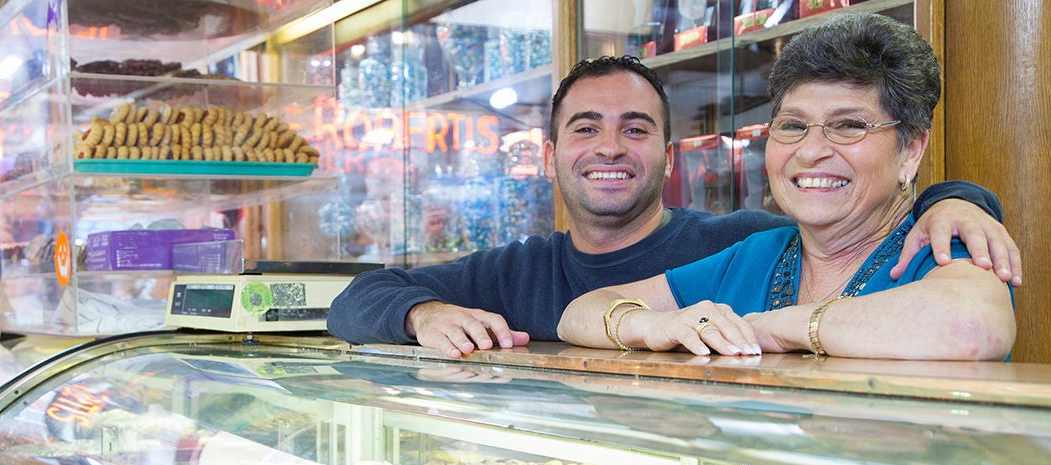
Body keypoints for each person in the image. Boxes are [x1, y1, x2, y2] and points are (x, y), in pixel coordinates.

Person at [327, 53, 1021, 359]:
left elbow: (873, 234)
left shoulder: (736, 241)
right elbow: (357, 299)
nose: (610, 148)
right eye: (584, 128)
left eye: (635, 128)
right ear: (548, 156)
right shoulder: (514, 270)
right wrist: (424, 313)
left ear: (668, 153)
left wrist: (955, 198)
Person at [557, 13, 1014, 361]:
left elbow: (969, 327)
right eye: (793, 125)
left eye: (849, 125)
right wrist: (653, 325)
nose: (811, 150)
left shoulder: (941, 243)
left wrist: (778, 328)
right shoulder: (757, 254)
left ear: (911, 149)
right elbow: (580, 313)